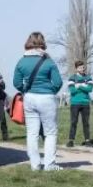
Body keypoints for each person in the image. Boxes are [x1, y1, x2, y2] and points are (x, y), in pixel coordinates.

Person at [13, 32, 64, 171]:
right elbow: (58, 82)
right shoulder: (48, 61)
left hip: (29, 98)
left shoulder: (21, 61)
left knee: (32, 133)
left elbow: (16, 82)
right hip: (47, 97)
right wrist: (51, 90)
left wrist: (25, 90)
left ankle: (35, 165)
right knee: (50, 133)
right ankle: (50, 165)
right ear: (42, 43)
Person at [67, 60, 93, 148]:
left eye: (83, 67)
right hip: (75, 103)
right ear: (76, 68)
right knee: (74, 122)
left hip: (85, 103)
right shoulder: (72, 78)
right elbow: (72, 90)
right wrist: (83, 87)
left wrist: (79, 86)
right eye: (80, 67)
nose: (82, 69)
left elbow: (90, 89)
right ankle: (71, 140)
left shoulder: (88, 78)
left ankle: (87, 140)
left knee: (86, 123)